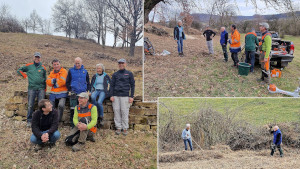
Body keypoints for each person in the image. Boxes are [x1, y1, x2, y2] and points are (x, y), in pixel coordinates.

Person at [17, 52, 46, 127]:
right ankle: (29, 120)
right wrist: (24, 75)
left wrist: (45, 89)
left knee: (41, 105)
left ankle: (40, 120)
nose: (37, 58)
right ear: (34, 58)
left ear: (40, 58)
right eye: (36, 57)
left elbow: (45, 79)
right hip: (32, 88)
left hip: (41, 89)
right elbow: (19, 70)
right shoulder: (29, 66)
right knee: (30, 105)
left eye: (38, 57)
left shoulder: (43, 67)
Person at [110, 58, 135, 136]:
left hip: (125, 96)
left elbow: (132, 85)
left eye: (122, 63)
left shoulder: (129, 73)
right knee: (116, 111)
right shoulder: (115, 74)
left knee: (124, 112)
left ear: (125, 64)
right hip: (116, 96)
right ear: (118, 65)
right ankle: (118, 127)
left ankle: (124, 128)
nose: (121, 64)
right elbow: (111, 85)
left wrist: (132, 96)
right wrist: (111, 95)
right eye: (119, 63)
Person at [66, 57, 90, 127]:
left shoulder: (85, 71)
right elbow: (67, 82)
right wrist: (70, 90)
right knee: (73, 109)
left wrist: (88, 90)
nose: (77, 64)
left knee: (83, 109)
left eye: (78, 63)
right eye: (76, 63)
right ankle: (73, 125)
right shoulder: (70, 71)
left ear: (81, 63)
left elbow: (88, 82)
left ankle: (83, 124)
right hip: (73, 92)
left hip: (83, 93)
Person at [90, 63, 111, 128]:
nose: (98, 70)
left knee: (99, 102)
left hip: (103, 91)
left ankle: (101, 116)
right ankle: (95, 111)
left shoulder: (106, 75)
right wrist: (91, 92)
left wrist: (109, 92)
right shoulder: (95, 76)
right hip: (96, 90)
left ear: (102, 69)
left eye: (99, 68)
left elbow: (111, 83)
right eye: (97, 68)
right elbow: (92, 84)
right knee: (92, 97)